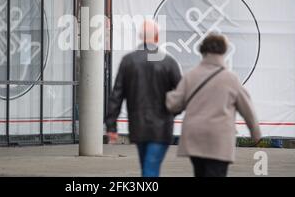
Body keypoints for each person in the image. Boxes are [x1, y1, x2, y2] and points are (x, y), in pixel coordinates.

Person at [166, 33, 261, 177]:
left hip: (194, 137)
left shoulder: (190, 76)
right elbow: (247, 109)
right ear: (224, 51)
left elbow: (174, 104)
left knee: (200, 173)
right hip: (219, 139)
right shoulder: (231, 79)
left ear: (202, 51)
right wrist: (256, 133)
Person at [105, 20, 181, 177]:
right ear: (157, 36)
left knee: (147, 168)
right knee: (150, 169)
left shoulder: (129, 61)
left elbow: (116, 95)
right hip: (162, 127)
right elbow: (183, 93)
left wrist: (111, 126)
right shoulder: (168, 62)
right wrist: (172, 113)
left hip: (138, 126)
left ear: (140, 36)